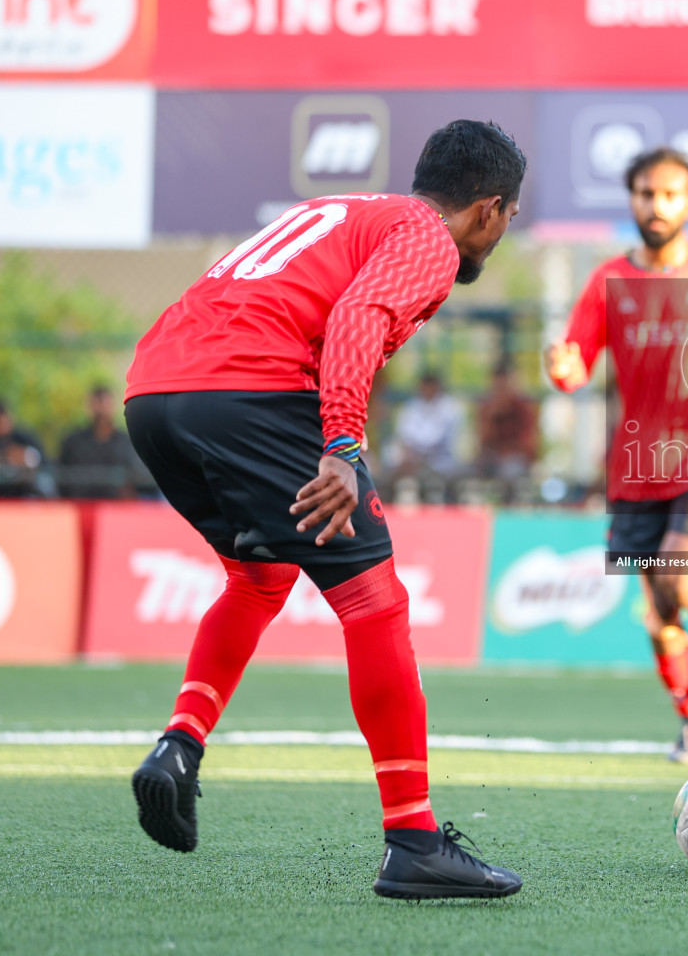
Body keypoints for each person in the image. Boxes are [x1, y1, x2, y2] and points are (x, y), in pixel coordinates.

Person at [121, 120, 527, 900]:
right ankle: (413, 840)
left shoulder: (343, 210)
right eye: (510, 217)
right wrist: (342, 443)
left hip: (155, 394)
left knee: (260, 578)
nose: (504, 231)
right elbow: (355, 322)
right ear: (490, 209)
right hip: (247, 392)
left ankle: (181, 745)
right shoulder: (428, 237)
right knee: (377, 604)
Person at [545, 147, 688, 765]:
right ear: (632, 200)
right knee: (658, 611)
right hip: (634, 465)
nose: (658, 205)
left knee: (678, 570)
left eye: (670, 194)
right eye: (647, 194)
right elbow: (575, 360)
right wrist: (563, 369)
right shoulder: (607, 282)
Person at [384, 370, 467, 500]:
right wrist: (409, 456)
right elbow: (404, 436)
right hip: (412, 462)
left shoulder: (450, 407)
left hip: (441, 462)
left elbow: (436, 441)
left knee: (433, 488)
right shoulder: (411, 406)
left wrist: (416, 455)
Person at [57, 385, 147, 499]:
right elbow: (61, 476)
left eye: (105, 403)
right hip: (81, 505)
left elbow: (142, 478)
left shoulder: (128, 442)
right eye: (97, 403)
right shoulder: (73, 443)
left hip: (119, 508)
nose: (101, 410)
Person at [476, 367, 539, 500]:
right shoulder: (487, 407)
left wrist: (508, 452)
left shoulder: (523, 408)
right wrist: (491, 417)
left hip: (516, 459)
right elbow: (481, 443)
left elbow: (530, 446)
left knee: (510, 470)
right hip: (492, 459)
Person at [0, 398, 49, 498]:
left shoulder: (24, 439)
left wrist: (27, 459)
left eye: (0, 422)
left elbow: (45, 465)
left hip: (25, 493)